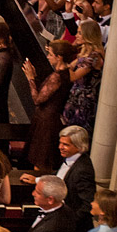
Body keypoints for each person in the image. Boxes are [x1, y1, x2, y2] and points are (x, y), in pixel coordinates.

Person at [22, 42, 77, 174]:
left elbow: (38, 99)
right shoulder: (64, 73)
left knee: (40, 161)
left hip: (46, 123)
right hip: (47, 119)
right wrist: (35, 77)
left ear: (59, 57)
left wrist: (30, 79)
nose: (48, 57)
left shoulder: (57, 77)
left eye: (50, 54)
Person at [56, 124, 97, 232]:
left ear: (79, 146)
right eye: (60, 143)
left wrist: (68, 222)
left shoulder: (82, 170)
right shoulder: (70, 158)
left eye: (65, 145)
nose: (60, 147)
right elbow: (62, 176)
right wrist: (38, 180)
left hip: (73, 229)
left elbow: (88, 204)